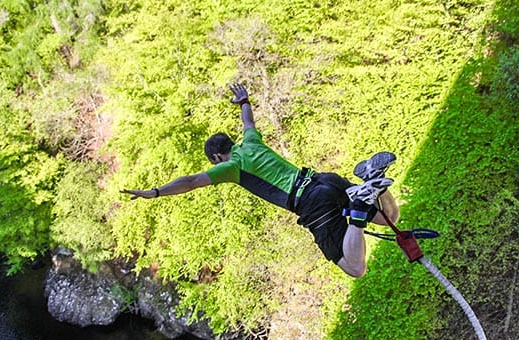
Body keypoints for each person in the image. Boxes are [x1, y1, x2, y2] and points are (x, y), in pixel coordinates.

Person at [122, 83, 399, 277]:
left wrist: (155, 192)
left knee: (355, 268)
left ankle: (361, 205)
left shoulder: (232, 166)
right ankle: (372, 180)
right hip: (322, 180)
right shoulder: (250, 142)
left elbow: (192, 181)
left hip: (311, 203)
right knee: (390, 217)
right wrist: (243, 101)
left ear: (218, 157)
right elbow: (248, 123)